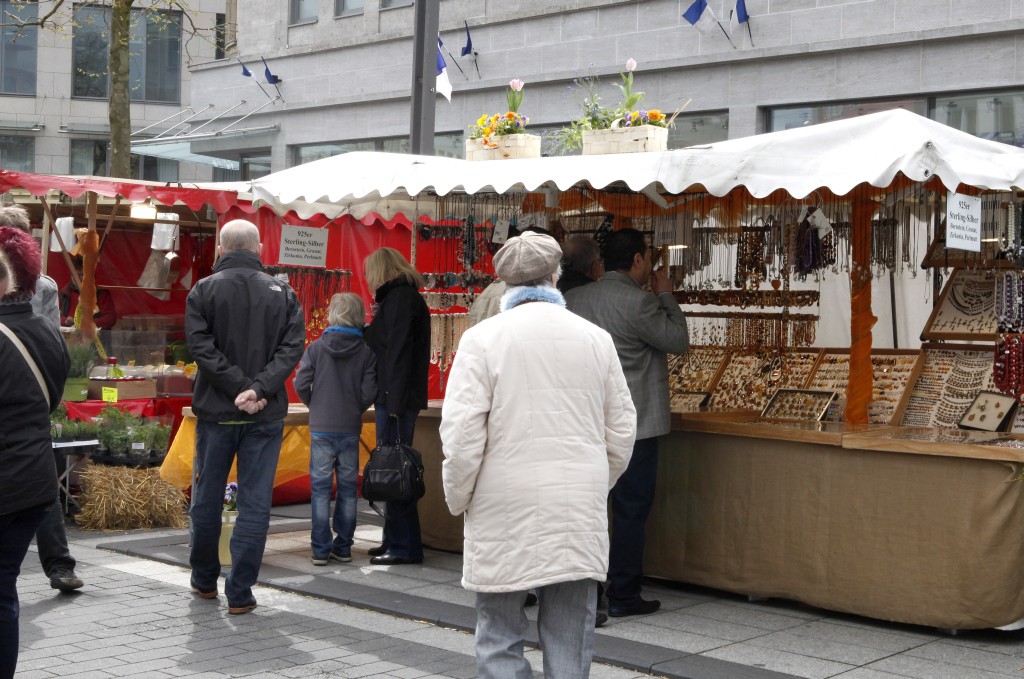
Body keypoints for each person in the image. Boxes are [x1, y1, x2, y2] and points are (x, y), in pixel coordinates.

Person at [440, 231, 637, 678]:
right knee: (570, 633)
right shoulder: (595, 339)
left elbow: (461, 435)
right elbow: (622, 428)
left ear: (506, 283)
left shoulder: (481, 339)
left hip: (501, 504)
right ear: (555, 276)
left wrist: (459, 497)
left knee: (498, 631)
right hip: (575, 504)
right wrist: (594, 481)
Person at [565, 228, 689, 618]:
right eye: (649, 257)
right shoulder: (641, 303)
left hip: (586, 421)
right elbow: (678, 341)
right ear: (637, 260)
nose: (651, 264)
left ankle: (586, 589)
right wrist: (666, 294)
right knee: (630, 509)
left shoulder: (574, 299)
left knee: (588, 507)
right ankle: (623, 593)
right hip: (636, 425)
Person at [185, 219, 305, 615]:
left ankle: (204, 579)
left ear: (221, 249)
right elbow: (292, 348)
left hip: (217, 412)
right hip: (263, 414)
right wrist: (258, 389)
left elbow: (201, 347)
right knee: (254, 504)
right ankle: (240, 592)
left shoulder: (203, 290)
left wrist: (241, 387)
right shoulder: (283, 293)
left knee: (207, 498)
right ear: (259, 249)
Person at [0, 204, 84, 593]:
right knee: (39, 479)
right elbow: (54, 342)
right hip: (34, 401)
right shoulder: (46, 287)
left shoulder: (39, 290)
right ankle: (59, 563)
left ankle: (60, 563)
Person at [0, 227, 71, 678]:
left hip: (7, 479)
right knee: (4, 590)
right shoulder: (47, 330)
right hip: (35, 480)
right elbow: (53, 397)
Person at [293, 292, 377, 566]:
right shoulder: (366, 352)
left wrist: (314, 404)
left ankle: (320, 549)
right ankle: (343, 547)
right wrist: (354, 408)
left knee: (320, 490)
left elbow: (300, 383)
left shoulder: (316, 348)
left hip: (321, 427)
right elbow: (369, 391)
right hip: (349, 427)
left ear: (332, 314)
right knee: (348, 489)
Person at [363, 247, 430, 565]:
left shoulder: (400, 298)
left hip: (395, 398)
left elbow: (398, 353)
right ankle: (395, 539)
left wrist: (394, 402)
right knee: (393, 469)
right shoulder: (400, 297)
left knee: (396, 470)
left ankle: (404, 546)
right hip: (396, 396)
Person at [58, 258, 116, 330]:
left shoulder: (100, 294)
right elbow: (54, 316)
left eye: (81, 275)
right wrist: (65, 321)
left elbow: (110, 318)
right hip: (68, 335)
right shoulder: (65, 293)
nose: (76, 278)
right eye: (74, 274)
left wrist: (89, 323)